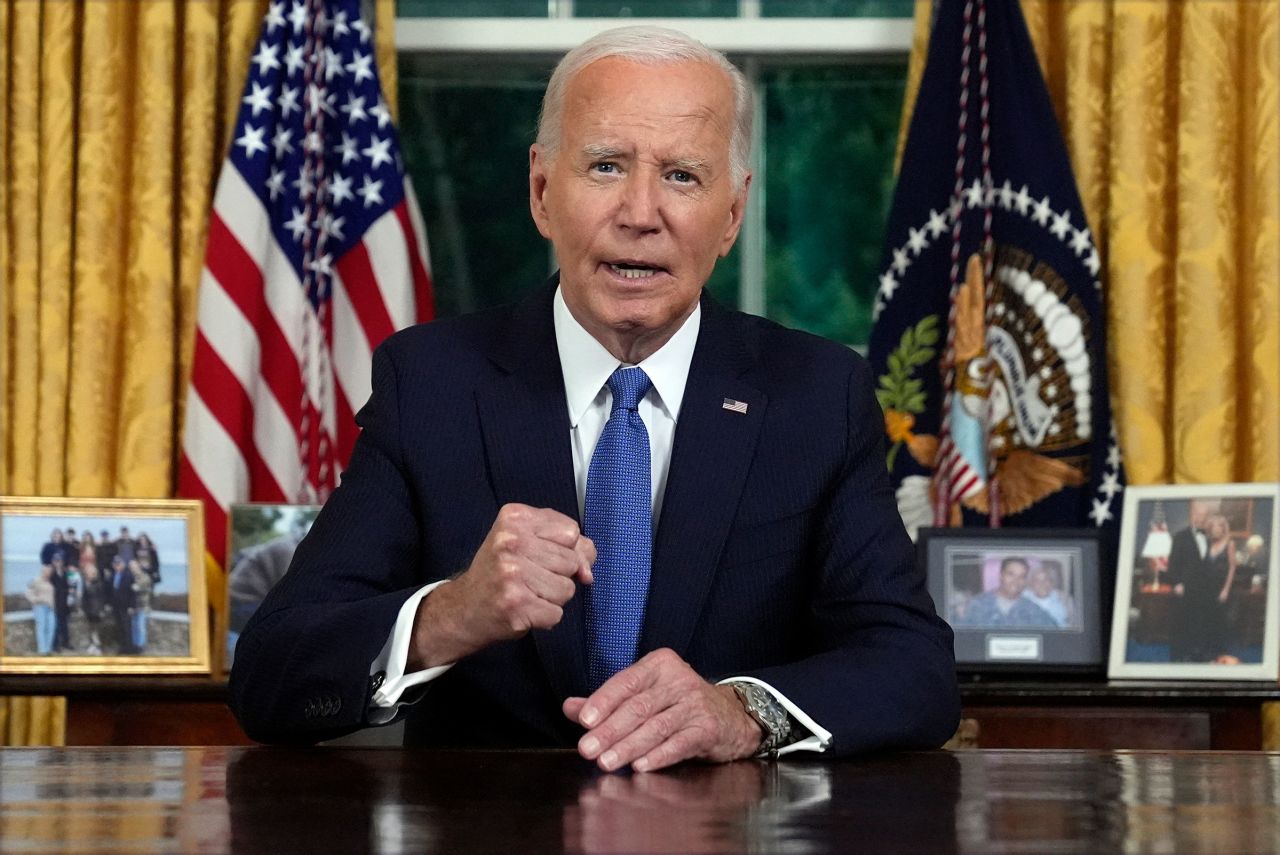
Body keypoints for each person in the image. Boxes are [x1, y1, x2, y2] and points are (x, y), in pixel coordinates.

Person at [230, 25, 959, 769]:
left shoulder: (817, 394)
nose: (640, 212)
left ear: (732, 214)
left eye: (682, 176)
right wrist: (451, 613)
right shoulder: (431, 383)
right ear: (543, 192)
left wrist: (742, 710)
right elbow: (270, 674)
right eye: (606, 166)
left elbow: (915, 667)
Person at [1167, 499, 1219, 662]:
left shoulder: (1211, 537)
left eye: (1204, 515)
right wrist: (1176, 584)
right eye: (1198, 514)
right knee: (1183, 623)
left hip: (1206, 590)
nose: (1201, 518)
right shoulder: (1180, 537)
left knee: (1203, 623)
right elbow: (1172, 564)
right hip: (1186, 589)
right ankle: (1179, 656)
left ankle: (1200, 655)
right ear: (1192, 515)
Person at [958, 557, 1056, 628]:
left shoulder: (1034, 610)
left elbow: (1055, 635)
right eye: (1011, 574)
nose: (1016, 580)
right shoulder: (977, 604)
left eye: (1022, 576)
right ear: (1001, 575)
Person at [1022, 561, 1075, 628]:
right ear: (1031, 584)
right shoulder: (1023, 598)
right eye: (1037, 580)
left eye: (1046, 579)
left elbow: (1072, 625)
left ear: (1052, 582)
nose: (1042, 583)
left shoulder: (1065, 600)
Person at [26, 565, 57, 655]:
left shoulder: (50, 582)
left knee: (51, 627)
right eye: (46, 571)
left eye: (49, 571)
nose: (47, 573)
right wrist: (36, 600)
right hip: (40, 607)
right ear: (42, 571)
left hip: (50, 608)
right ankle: (42, 651)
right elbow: (28, 592)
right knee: (41, 628)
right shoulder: (36, 580)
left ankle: (48, 649)